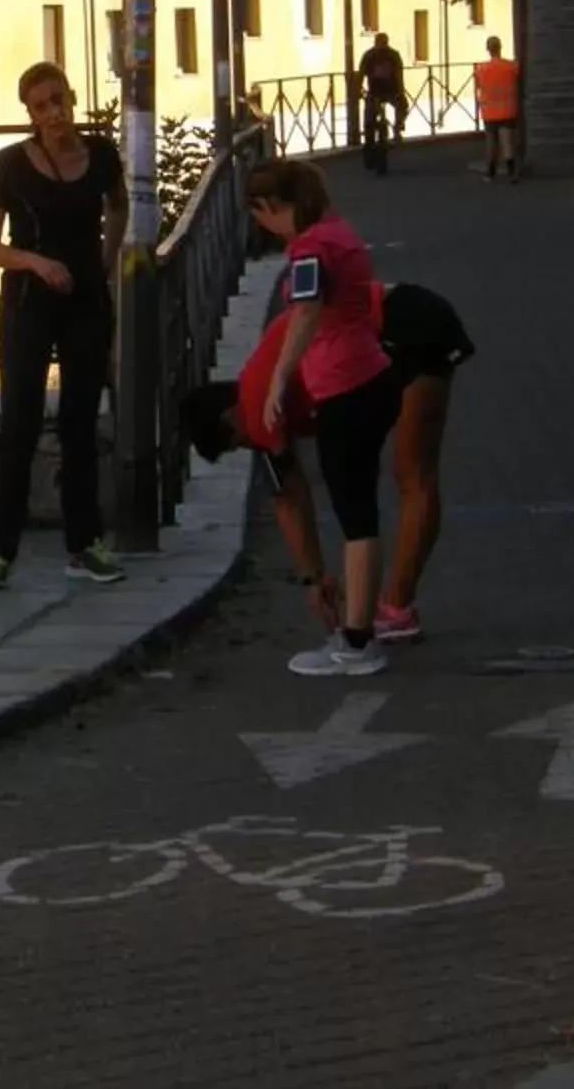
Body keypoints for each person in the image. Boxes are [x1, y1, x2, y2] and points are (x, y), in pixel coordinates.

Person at [220, 158, 400, 675]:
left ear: (273, 206)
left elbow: (305, 311)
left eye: (261, 215)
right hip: (371, 375)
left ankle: (357, 642)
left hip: (346, 387)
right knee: (359, 507)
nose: (262, 227)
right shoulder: (337, 232)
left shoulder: (311, 249)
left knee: (355, 514)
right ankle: (358, 634)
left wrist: (279, 378)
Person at [0, 60, 126, 589]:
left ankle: (85, 545)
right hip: (26, 305)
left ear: (73, 99)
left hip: (86, 302)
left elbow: (119, 209)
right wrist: (37, 263)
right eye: (42, 106)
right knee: (20, 421)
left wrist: (102, 267)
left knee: (81, 423)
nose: (54, 113)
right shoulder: (11, 164)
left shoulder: (101, 155)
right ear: (30, 115)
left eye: (59, 100)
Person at [370, 281, 476, 642]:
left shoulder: (310, 257)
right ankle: (393, 603)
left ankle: (398, 606)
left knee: (414, 472)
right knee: (411, 472)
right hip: (400, 324)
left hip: (410, 328)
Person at [356, 33, 408, 173]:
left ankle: (397, 127)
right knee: (369, 120)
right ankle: (374, 140)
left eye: (383, 43)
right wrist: (359, 89)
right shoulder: (371, 56)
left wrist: (401, 92)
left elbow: (399, 75)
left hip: (388, 93)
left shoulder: (392, 56)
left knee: (402, 106)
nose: (381, 47)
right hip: (376, 94)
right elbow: (360, 74)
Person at [473, 36, 522, 181]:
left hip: (489, 111)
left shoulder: (481, 69)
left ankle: (491, 172)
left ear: (488, 50)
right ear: (500, 47)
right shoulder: (511, 66)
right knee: (507, 142)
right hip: (508, 109)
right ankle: (512, 172)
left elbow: (478, 87)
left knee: (491, 142)